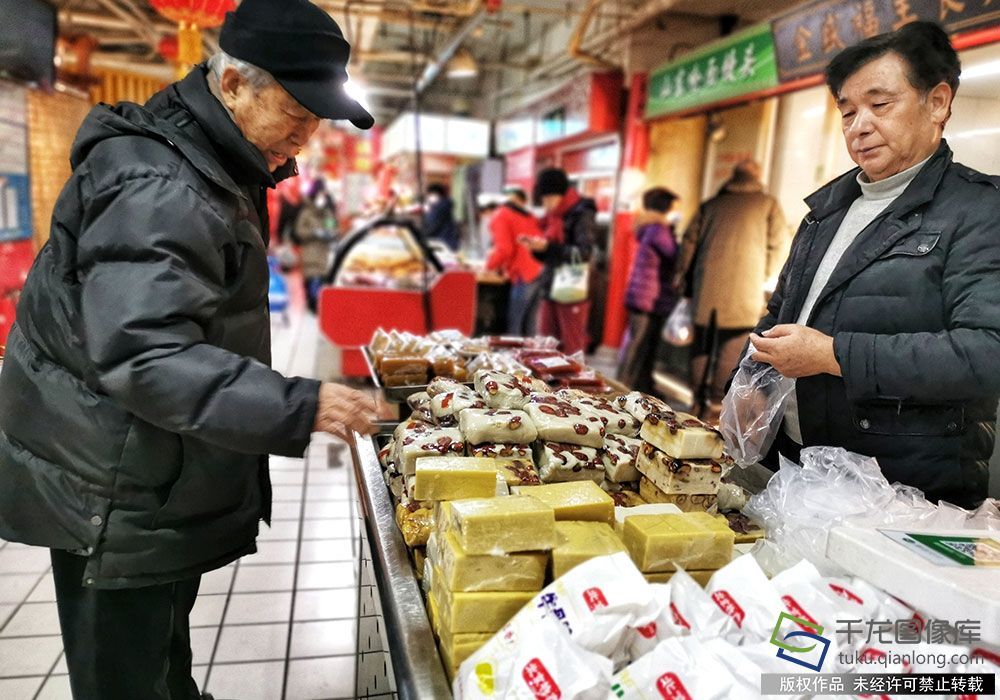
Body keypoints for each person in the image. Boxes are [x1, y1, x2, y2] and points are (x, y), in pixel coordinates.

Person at [0, 1, 380, 699]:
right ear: (232, 83)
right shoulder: (160, 183)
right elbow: (146, 356)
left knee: (162, 648)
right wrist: (301, 405)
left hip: (148, 465)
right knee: (124, 674)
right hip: (110, 483)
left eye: (311, 129)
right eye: (293, 121)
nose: (299, 146)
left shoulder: (204, 156)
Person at [742, 21, 1000, 508]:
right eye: (847, 112)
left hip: (901, 492)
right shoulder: (828, 209)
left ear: (938, 103)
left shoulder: (980, 210)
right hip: (796, 469)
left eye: (880, 105)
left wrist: (833, 355)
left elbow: (988, 352)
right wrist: (750, 378)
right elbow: (780, 314)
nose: (859, 125)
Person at [675, 159, 788, 415]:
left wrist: (685, 277)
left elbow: (688, 243)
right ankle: (715, 404)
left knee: (702, 343)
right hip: (745, 288)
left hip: (706, 287)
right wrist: (767, 275)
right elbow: (779, 244)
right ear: (757, 178)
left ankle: (696, 400)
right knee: (733, 344)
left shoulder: (711, 205)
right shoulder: (767, 204)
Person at [524, 167, 597, 355]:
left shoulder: (581, 213)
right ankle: (548, 384)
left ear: (561, 194)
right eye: (543, 200)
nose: (546, 204)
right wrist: (538, 249)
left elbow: (584, 253)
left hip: (572, 288)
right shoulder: (554, 216)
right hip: (550, 286)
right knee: (547, 344)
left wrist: (548, 248)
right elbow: (551, 251)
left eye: (549, 199)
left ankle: (573, 384)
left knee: (571, 347)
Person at [619, 187, 681, 394]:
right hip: (647, 297)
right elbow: (674, 255)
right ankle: (622, 388)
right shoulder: (659, 229)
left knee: (644, 346)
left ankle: (642, 385)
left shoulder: (650, 227)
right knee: (638, 346)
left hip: (645, 295)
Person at [485, 187, 546, 335]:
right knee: (530, 325)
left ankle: (513, 358)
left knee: (515, 326)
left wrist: (488, 267)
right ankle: (530, 357)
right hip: (540, 269)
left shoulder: (500, 216)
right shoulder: (528, 215)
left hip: (523, 273)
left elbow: (504, 250)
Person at [295, 178, 338, 313]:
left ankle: (316, 303)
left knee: (320, 279)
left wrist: (329, 233)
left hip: (323, 252)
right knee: (312, 278)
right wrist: (314, 233)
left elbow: (333, 229)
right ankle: (312, 302)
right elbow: (299, 231)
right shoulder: (306, 212)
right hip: (309, 252)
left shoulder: (327, 213)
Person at [423, 182, 460, 250]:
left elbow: (432, 225)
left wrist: (422, 237)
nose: (428, 197)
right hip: (449, 241)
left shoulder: (437, 207)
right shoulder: (446, 204)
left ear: (435, 194)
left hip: (441, 243)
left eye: (429, 195)